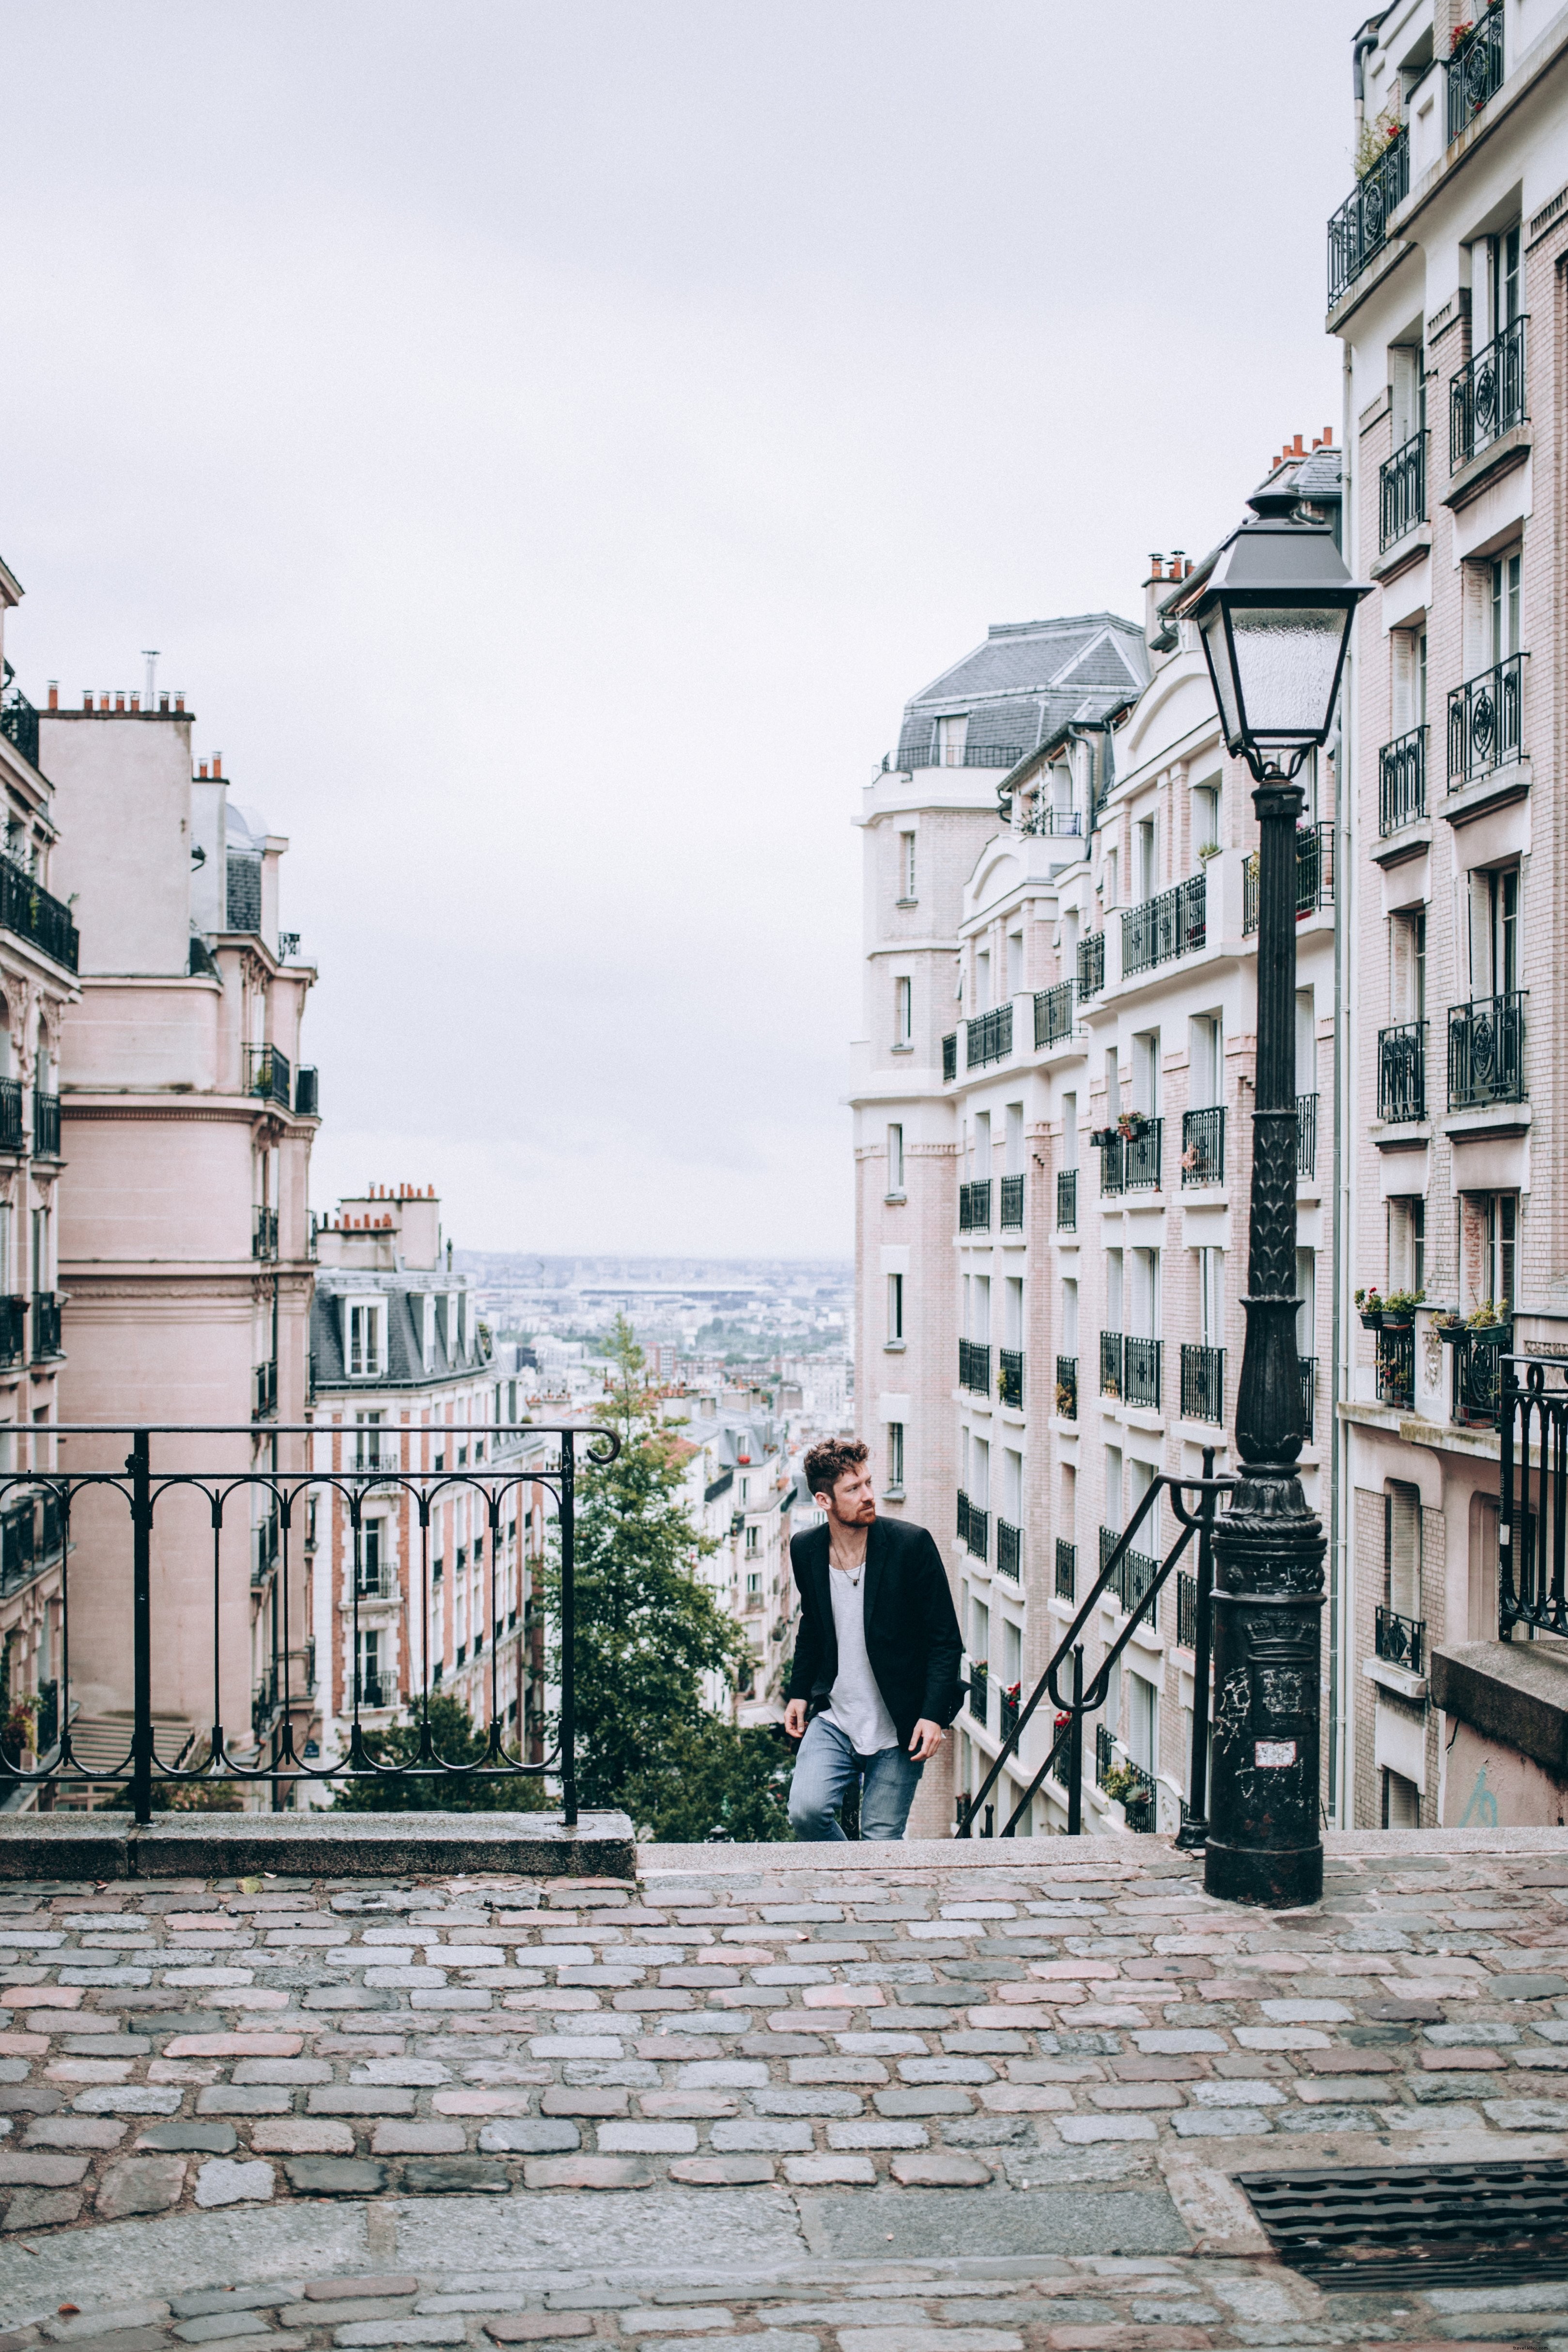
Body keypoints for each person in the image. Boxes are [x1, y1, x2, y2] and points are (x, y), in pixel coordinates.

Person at [784, 1435, 963, 1841]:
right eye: (853, 1488)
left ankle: (858, 1895)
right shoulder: (806, 1549)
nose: (868, 1495)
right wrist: (799, 1692)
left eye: (867, 1482)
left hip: (899, 1726)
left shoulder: (910, 1545)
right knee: (805, 1813)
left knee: (880, 1841)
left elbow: (945, 1640)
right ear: (823, 1500)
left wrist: (933, 1715)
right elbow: (813, 1623)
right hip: (836, 1717)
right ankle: (851, 1887)